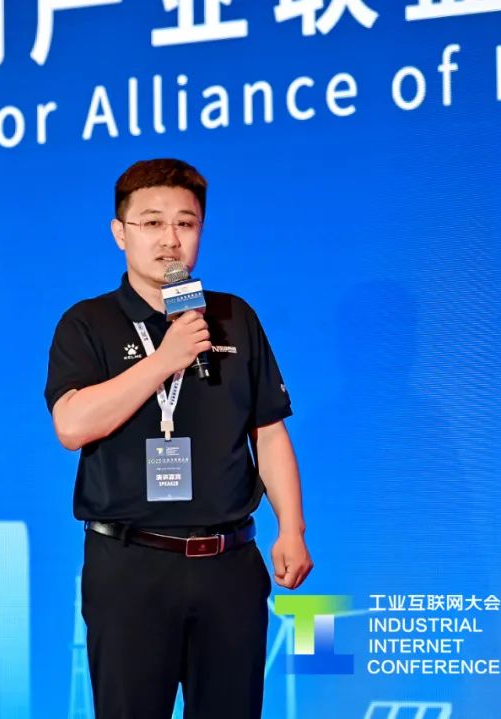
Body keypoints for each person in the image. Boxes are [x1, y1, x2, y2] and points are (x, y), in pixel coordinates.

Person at [44, 158, 312, 718]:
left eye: (185, 224)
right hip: (130, 564)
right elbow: (71, 424)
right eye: (152, 223)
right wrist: (165, 359)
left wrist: (291, 527)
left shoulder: (233, 317)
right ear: (120, 233)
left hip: (229, 564)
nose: (170, 239)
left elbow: (267, 430)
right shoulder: (87, 323)